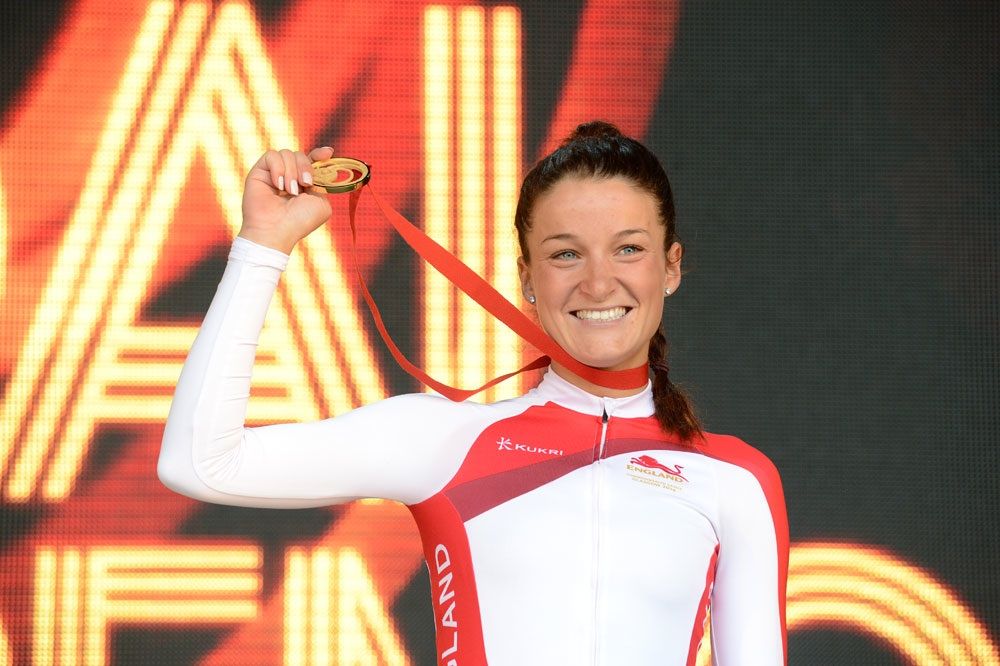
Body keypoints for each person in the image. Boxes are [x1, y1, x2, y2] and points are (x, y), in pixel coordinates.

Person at [158, 121, 788, 665]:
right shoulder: (444, 442)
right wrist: (263, 246)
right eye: (566, 254)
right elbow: (201, 461)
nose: (599, 282)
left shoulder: (735, 479)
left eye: (628, 249)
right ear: (528, 280)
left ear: (670, 267)